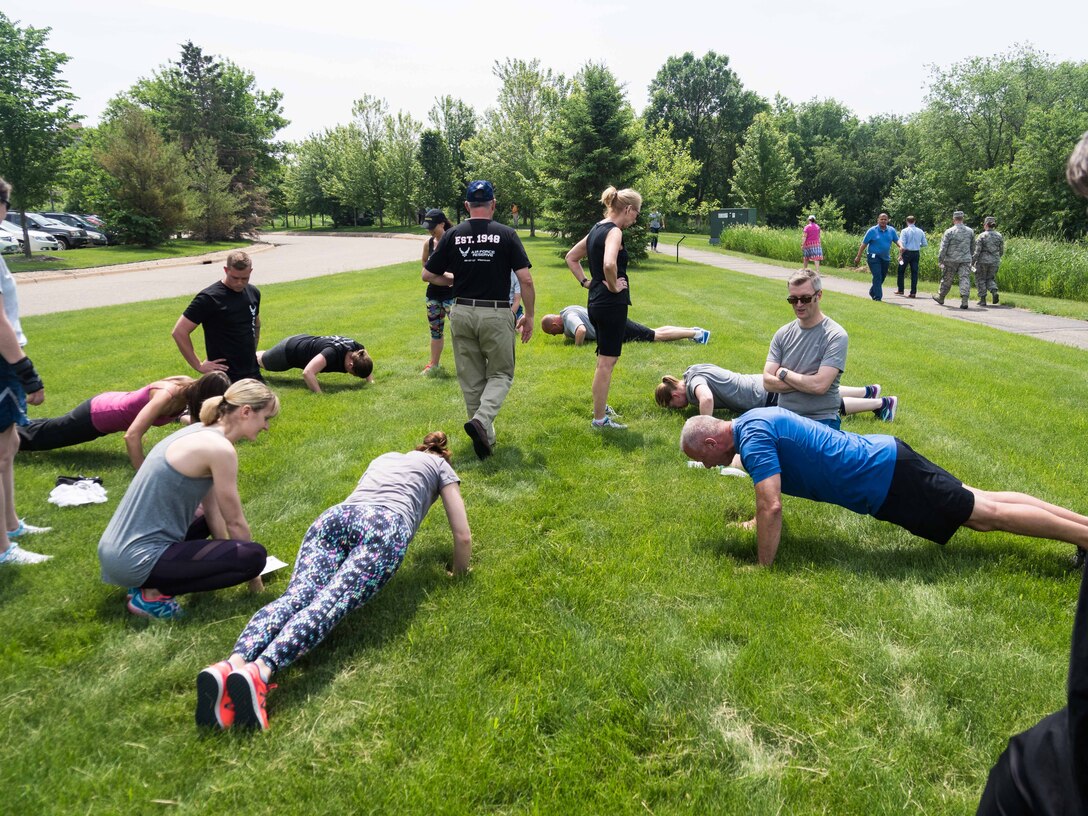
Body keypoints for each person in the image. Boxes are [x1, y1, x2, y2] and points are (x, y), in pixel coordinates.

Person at [194, 431, 472, 731]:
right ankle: (259, 672)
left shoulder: (386, 457)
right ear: (443, 456)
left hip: (336, 517)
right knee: (330, 602)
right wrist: (459, 573)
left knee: (297, 596)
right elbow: (463, 534)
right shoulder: (442, 467)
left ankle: (230, 666)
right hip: (384, 526)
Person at [681, 408, 1088, 567]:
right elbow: (765, 497)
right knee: (982, 498)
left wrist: (763, 567)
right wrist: (755, 523)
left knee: (985, 516)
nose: (708, 465)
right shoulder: (752, 422)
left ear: (714, 443)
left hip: (888, 477)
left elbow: (772, 506)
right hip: (887, 460)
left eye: (704, 458)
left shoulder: (752, 441)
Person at [97, 379, 279, 619]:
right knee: (253, 557)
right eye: (266, 418)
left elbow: (214, 510)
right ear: (246, 412)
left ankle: (148, 581)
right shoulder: (220, 450)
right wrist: (252, 575)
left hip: (118, 550)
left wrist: (224, 549)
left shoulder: (200, 431)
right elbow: (235, 522)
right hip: (136, 558)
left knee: (204, 518)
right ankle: (153, 594)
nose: (266, 426)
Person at [424, 181, 534, 459]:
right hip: (496, 313)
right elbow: (526, 279)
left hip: (461, 311)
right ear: (494, 204)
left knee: (471, 379)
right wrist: (529, 315)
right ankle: (482, 422)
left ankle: (487, 440)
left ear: (466, 206)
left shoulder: (452, 235)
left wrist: (452, 279)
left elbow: (428, 274)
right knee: (501, 373)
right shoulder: (507, 234)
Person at [17, 372, 229, 468]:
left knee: (49, 427)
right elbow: (132, 436)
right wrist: (143, 472)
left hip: (105, 408)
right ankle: (7, 435)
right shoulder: (168, 395)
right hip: (97, 414)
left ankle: (11, 425)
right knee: (42, 439)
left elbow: (187, 419)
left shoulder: (188, 389)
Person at [0, 177, 50, 566]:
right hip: (4, 362)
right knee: (1, 451)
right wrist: (26, 372)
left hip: (7, 360)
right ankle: (3, 549)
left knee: (10, 445)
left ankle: (12, 524)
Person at [565, 186, 642, 430]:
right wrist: (614, 286)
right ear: (627, 209)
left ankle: (601, 405)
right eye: (636, 213)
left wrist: (586, 282)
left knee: (603, 360)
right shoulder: (614, 232)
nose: (636, 218)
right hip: (610, 304)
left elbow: (571, 257)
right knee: (606, 363)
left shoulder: (597, 228)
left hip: (596, 302)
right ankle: (599, 420)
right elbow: (610, 263)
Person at [763, 269, 849, 430]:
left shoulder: (835, 335)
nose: (799, 304)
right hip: (784, 416)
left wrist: (784, 373)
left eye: (805, 298)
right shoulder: (782, 334)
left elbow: (820, 386)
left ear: (819, 295)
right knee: (745, 450)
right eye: (793, 300)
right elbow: (767, 382)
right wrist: (807, 381)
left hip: (821, 420)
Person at [655, 364, 896, 422]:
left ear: (674, 395)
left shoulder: (694, 383)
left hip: (763, 396)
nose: (680, 408)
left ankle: (881, 404)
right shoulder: (692, 370)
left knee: (821, 405)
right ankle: (868, 391)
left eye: (674, 406)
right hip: (760, 385)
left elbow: (706, 398)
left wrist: (705, 425)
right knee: (815, 392)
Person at [172, 250, 262, 382]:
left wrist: (252, 349)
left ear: (250, 271)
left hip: (252, 371)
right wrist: (198, 365)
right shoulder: (209, 298)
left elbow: (255, 323)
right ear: (226, 270)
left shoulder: (253, 292)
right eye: (235, 278)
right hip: (225, 375)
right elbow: (179, 331)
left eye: (244, 278)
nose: (239, 283)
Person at [541, 305, 710, 346]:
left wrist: (578, 347)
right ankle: (693, 331)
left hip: (615, 328)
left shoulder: (569, 317)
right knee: (653, 331)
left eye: (553, 332)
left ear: (555, 324)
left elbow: (581, 330)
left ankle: (697, 335)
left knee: (655, 336)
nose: (556, 335)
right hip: (614, 320)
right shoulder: (567, 310)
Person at [257, 334, 372, 393]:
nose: (351, 374)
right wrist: (319, 394)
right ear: (351, 365)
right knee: (261, 361)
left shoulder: (358, 350)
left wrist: (370, 380)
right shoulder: (332, 352)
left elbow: (363, 360)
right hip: (289, 351)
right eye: (353, 374)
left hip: (302, 339)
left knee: (264, 355)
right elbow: (308, 373)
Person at [419, 209, 455, 376]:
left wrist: (446, 277)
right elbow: (425, 266)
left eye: (433, 226)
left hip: (452, 296)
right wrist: (446, 277)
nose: (430, 230)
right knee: (435, 331)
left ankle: (467, 365)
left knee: (460, 331)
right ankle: (434, 364)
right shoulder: (429, 244)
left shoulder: (454, 240)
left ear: (442, 223)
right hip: (433, 295)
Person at [933, 210, 975, 310]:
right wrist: (971, 257)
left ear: (954, 219)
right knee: (964, 278)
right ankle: (964, 300)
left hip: (950, 260)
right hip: (965, 259)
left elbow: (943, 248)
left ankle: (941, 297)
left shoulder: (949, 231)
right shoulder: (970, 231)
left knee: (947, 279)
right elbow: (973, 247)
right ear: (962, 219)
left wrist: (940, 259)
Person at [853, 213, 899, 301]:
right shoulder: (872, 231)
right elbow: (864, 244)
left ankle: (872, 291)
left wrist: (901, 247)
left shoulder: (891, 230)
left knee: (882, 276)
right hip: (873, 257)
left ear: (888, 220)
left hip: (885, 258)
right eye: (881, 219)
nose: (883, 221)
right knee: (877, 275)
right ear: (878, 220)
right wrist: (858, 256)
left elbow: (897, 240)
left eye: (885, 219)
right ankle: (878, 297)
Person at [973, 217, 1005, 307]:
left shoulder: (982, 236)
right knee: (990, 278)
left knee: (980, 279)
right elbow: (1001, 251)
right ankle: (994, 291)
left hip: (982, 261)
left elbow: (977, 251)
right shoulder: (999, 235)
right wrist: (996, 258)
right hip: (995, 261)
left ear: (986, 224)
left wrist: (972, 261)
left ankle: (982, 300)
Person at [896, 215, 928, 298]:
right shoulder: (920, 231)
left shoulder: (904, 231)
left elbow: (902, 244)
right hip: (916, 253)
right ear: (914, 221)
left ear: (907, 221)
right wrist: (917, 245)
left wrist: (900, 255)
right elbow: (924, 244)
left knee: (901, 270)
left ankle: (900, 289)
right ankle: (913, 292)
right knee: (914, 273)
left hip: (906, 252)